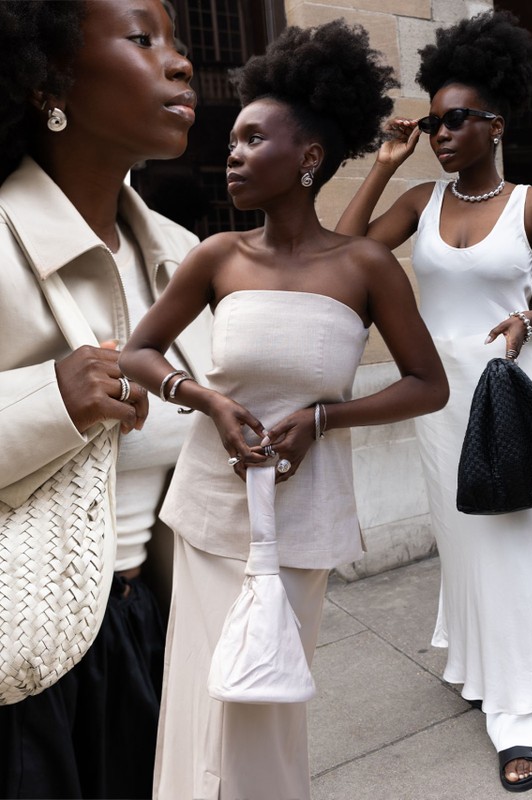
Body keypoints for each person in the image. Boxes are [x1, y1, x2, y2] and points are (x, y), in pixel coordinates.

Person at [119, 18, 449, 800]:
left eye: (251, 139)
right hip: (208, 512)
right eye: (231, 139)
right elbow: (138, 353)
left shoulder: (365, 266)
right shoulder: (216, 256)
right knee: (202, 695)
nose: (231, 153)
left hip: (302, 519)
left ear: (308, 158)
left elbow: (426, 382)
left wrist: (324, 419)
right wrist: (202, 399)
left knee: (265, 701)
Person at [336, 9, 532, 794]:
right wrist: (382, 163)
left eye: (455, 120)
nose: (441, 133)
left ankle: (522, 712)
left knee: (508, 548)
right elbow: (347, 252)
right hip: (438, 396)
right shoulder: (420, 199)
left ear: (495, 124)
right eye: (434, 120)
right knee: (461, 542)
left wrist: (528, 318)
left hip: (505, 389)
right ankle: (481, 667)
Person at [0, 1, 210, 797]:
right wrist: (52, 397)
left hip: (156, 631)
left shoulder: (182, 258)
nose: (180, 61)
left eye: (177, 41)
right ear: (50, 76)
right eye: (142, 37)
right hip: (26, 656)